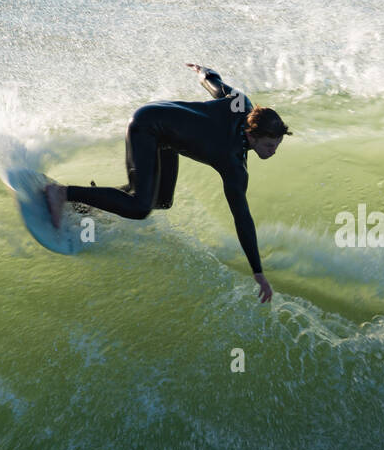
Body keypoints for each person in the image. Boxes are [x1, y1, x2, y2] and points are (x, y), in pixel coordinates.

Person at [47, 63, 290, 302]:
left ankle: (86, 205)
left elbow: (214, 84)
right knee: (140, 206)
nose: (273, 151)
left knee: (161, 200)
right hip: (146, 127)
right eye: (269, 145)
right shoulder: (232, 162)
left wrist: (202, 71)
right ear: (251, 134)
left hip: (164, 135)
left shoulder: (241, 104)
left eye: (276, 145)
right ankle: (62, 193)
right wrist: (258, 271)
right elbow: (242, 217)